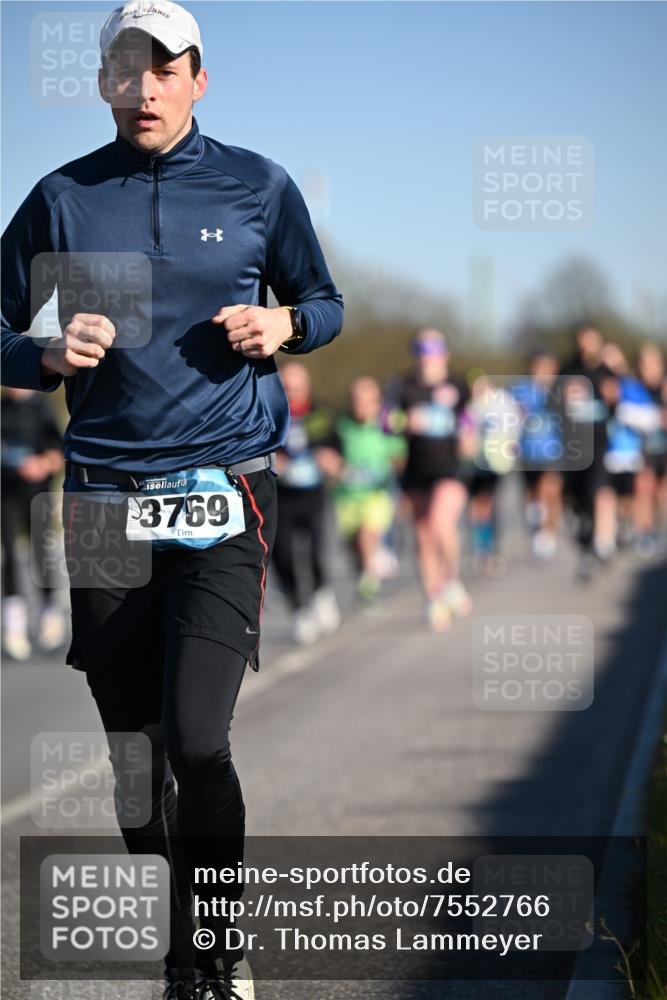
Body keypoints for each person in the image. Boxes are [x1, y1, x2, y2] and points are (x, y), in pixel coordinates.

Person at [1, 2, 343, 997]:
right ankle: (184, 938)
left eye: (165, 67)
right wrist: (39, 353)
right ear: (104, 81)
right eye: (124, 67)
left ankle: (212, 955)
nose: (143, 86)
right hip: (104, 498)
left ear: (199, 77)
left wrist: (283, 323)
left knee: (198, 738)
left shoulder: (257, 187)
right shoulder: (60, 199)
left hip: (224, 487)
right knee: (137, 767)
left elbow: (322, 303)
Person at [392, 328, 471, 631]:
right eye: (422, 352)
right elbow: (386, 420)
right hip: (415, 469)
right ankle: (433, 596)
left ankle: (451, 579)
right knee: (423, 535)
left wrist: (469, 434)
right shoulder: (403, 387)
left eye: (433, 352)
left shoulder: (458, 386)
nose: (427, 359)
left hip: (449, 468)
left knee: (441, 522)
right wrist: (403, 422)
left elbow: (470, 418)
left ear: (444, 355)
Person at [319, 376, 406, 602]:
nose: (361, 406)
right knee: (352, 546)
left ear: (378, 402)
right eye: (357, 400)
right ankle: (366, 569)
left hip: (377, 494)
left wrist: (395, 466)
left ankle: (369, 578)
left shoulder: (387, 425)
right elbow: (326, 453)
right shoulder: (340, 425)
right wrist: (331, 464)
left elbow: (400, 454)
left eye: (367, 401)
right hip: (346, 497)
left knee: (367, 534)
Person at [273, 362, 340, 645]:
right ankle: (300, 610)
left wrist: (332, 462)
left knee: (315, 551)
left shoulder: (322, 414)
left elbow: (338, 453)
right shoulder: (269, 413)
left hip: (312, 494)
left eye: (297, 388)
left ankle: (322, 592)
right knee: (284, 555)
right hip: (280, 497)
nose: (292, 393)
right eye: (286, 388)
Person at [1, 388, 65, 659]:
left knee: (41, 553)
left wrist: (41, 465)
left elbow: (60, 453)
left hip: (38, 492)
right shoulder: (2, 408)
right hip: (7, 493)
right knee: (11, 555)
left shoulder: (42, 408)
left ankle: (49, 616)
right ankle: (14, 626)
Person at [560, 324, 618, 580]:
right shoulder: (568, 371)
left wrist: (613, 398)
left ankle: (604, 543)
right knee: (578, 501)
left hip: (600, 445)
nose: (587, 346)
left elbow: (619, 406)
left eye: (592, 341)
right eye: (583, 341)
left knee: (601, 492)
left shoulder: (607, 373)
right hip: (574, 448)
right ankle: (586, 545)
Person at [460, 373, 521, 576]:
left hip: (494, 463)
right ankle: (480, 547)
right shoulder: (468, 406)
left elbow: (513, 428)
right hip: (471, 464)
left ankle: (491, 549)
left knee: (488, 503)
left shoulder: (502, 403)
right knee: (476, 506)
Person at [509, 349, 564, 560]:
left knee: (551, 488)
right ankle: (536, 525)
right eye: (539, 366)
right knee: (532, 494)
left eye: (548, 366)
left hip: (554, 448)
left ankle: (548, 532)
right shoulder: (520, 390)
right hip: (528, 449)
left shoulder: (561, 389)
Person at [635, 342, 667, 550]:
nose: (650, 368)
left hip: (664, 448)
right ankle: (644, 532)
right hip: (642, 449)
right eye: (645, 364)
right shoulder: (634, 389)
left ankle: (662, 529)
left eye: (654, 363)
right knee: (644, 487)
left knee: (663, 491)